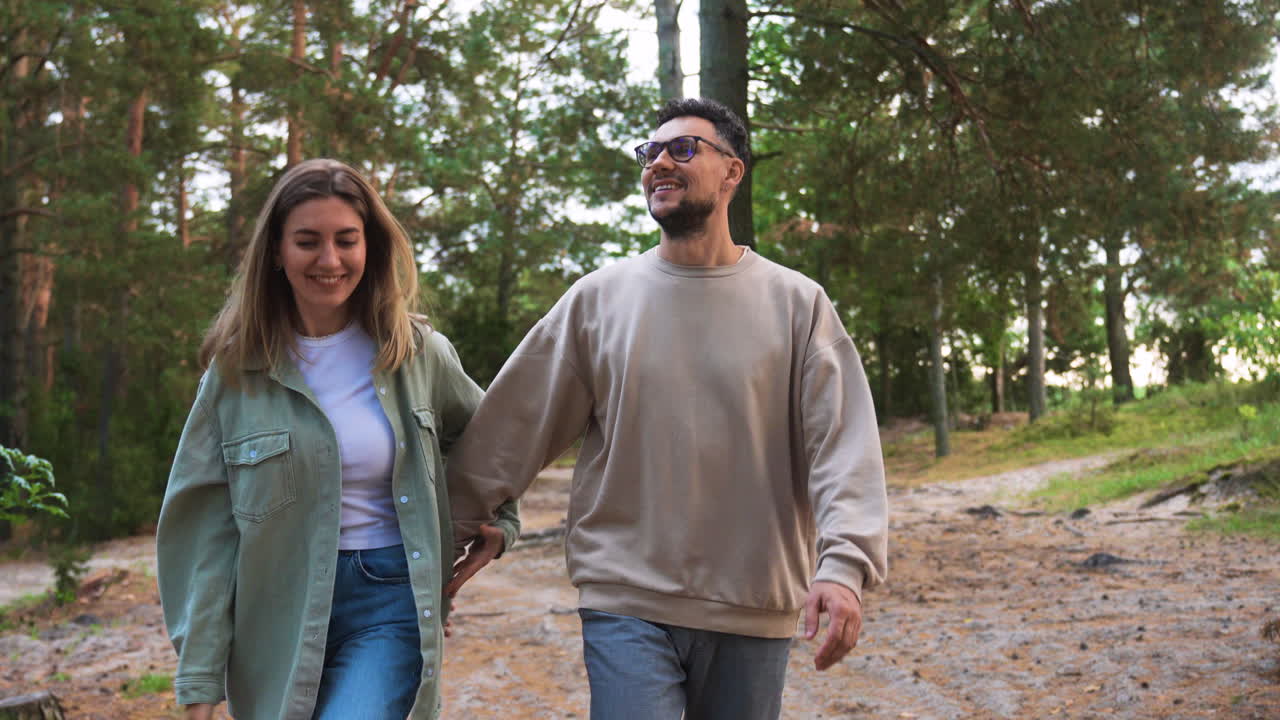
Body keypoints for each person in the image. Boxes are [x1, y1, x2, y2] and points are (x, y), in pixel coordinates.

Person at [445, 98, 889, 719]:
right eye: (649, 153)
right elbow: (510, 428)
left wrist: (844, 566)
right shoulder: (598, 300)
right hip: (625, 596)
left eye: (682, 149)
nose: (659, 163)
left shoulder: (798, 305)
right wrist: (441, 540)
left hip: (753, 602)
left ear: (732, 172)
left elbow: (843, 448)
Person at [156, 158, 517, 720]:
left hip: (389, 598)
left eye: (346, 240)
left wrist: (503, 522)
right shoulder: (233, 375)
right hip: (274, 615)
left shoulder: (418, 353)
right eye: (307, 241)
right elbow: (204, 534)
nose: (329, 260)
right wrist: (200, 681)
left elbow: (493, 441)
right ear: (276, 251)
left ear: (369, 247)